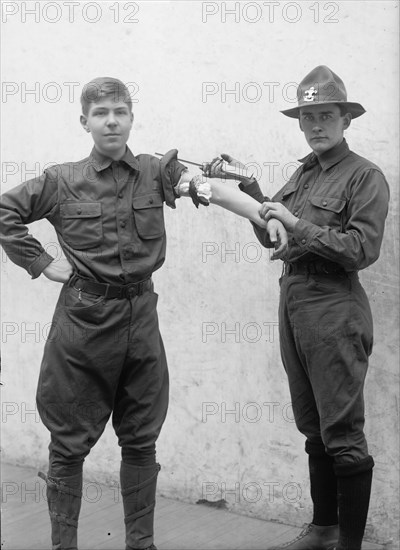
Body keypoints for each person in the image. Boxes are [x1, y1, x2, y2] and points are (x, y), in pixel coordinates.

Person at [0, 77, 287, 550]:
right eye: (100, 113)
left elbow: (211, 188)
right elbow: (5, 212)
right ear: (84, 122)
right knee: (69, 444)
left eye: (119, 111)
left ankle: (141, 543)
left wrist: (263, 213)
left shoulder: (156, 172)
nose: (111, 120)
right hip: (83, 326)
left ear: (131, 118)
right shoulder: (61, 180)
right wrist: (41, 262)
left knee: (140, 438)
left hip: (141, 321)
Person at [203, 66, 390, 550]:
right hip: (294, 302)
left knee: (343, 430)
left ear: (346, 119)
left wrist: (295, 224)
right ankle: (324, 528)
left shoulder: (364, 175)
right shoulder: (302, 174)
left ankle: (350, 543)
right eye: (307, 117)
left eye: (326, 115)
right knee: (313, 425)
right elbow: (276, 233)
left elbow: (361, 250)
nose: (316, 125)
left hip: (334, 306)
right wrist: (250, 195)